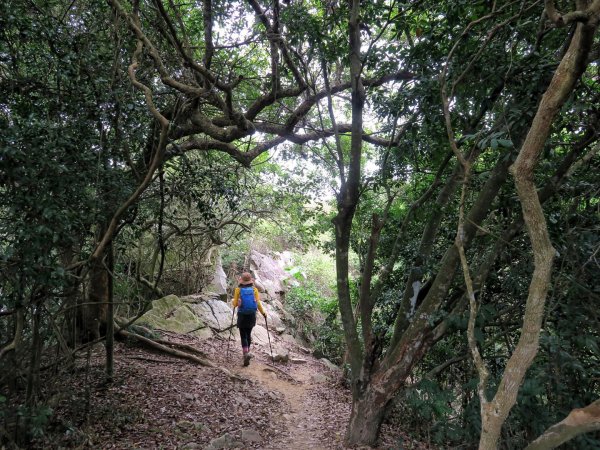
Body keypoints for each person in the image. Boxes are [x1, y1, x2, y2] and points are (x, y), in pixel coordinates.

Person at [232, 272, 266, 366]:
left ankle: (245, 353)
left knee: (243, 335)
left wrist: (234, 302)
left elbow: (235, 304)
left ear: (241, 280)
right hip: (251, 315)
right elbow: (258, 303)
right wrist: (263, 313)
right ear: (250, 280)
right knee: (248, 334)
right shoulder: (254, 290)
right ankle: (248, 352)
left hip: (242, 315)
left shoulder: (238, 290)